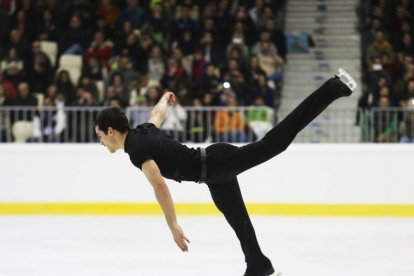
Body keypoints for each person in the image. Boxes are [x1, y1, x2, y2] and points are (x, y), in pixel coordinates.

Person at [94, 69, 357, 276]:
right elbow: (157, 114)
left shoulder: (137, 151)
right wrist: (165, 99)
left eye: (100, 137)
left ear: (111, 131)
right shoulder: (142, 132)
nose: (102, 142)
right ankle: (258, 266)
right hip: (213, 174)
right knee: (239, 222)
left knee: (274, 143)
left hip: (219, 163)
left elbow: (160, 186)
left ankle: (332, 89)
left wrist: (173, 225)